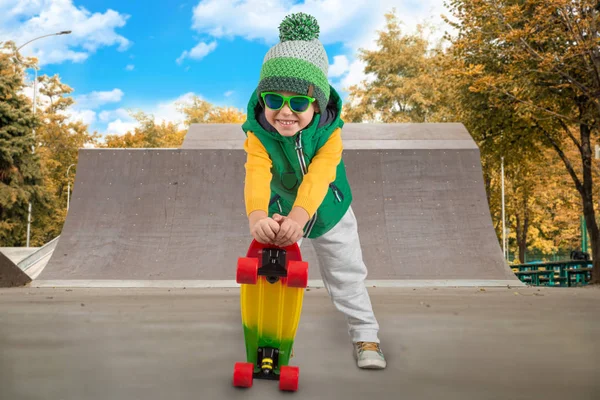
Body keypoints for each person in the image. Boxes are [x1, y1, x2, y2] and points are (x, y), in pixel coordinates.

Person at [241, 12, 386, 370]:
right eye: (274, 101)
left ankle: (366, 335)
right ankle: (269, 340)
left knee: (347, 274)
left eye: (299, 103)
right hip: (281, 210)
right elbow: (256, 171)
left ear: (317, 104)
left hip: (331, 211)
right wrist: (258, 214)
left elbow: (320, 175)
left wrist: (301, 216)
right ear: (262, 101)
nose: (285, 112)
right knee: (274, 272)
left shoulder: (331, 134)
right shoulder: (258, 134)